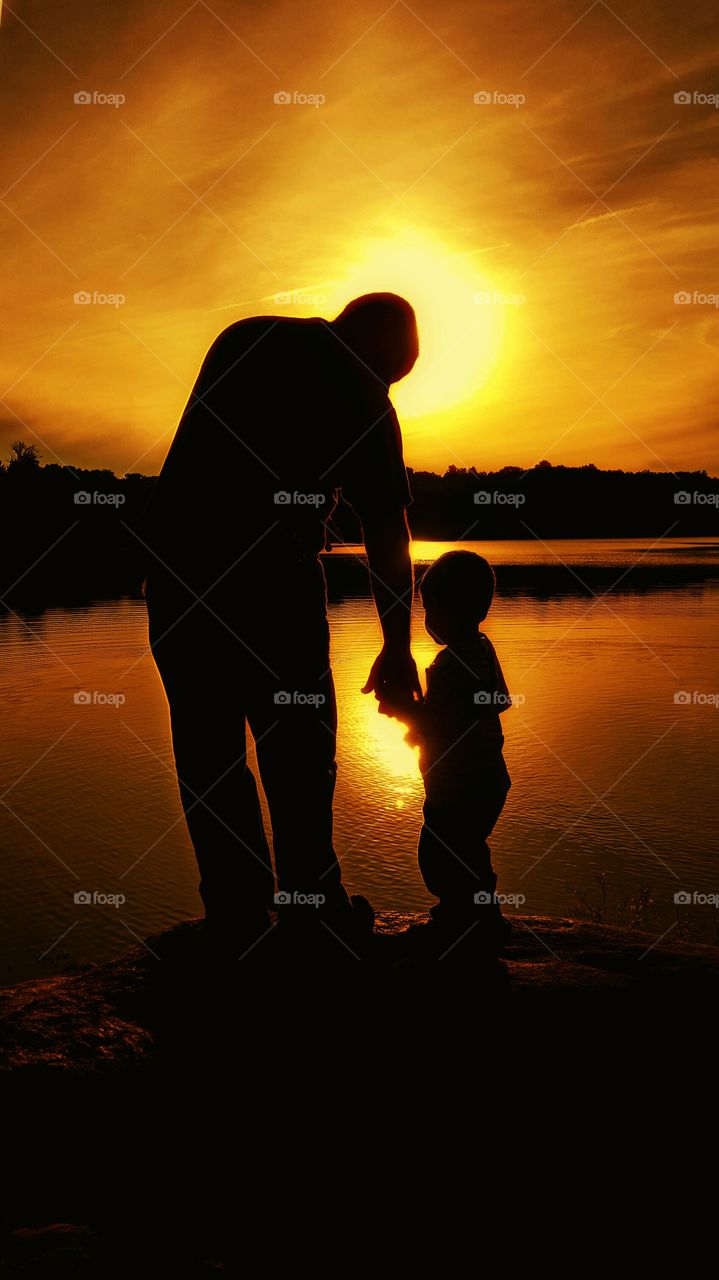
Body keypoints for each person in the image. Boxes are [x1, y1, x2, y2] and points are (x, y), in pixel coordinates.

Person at [139, 294, 421, 958]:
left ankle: (237, 914)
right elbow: (386, 531)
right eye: (404, 364)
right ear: (387, 344)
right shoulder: (365, 390)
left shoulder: (244, 336)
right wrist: (397, 647)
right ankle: (310, 912)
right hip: (269, 584)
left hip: (178, 578)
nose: (400, 380)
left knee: (210, 756)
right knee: (297, 753)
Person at [396, 551, 512, 957]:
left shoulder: (449, 664)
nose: (426, 621)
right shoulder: (482, 649)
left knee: (442, 854)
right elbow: (493, 702)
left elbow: (440, 724)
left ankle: (461, 922)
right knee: (469, 851)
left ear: (447, 611)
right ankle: (480, 917)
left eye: (429, 610)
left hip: (459, 784)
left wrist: (406, 711)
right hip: (487, 778)